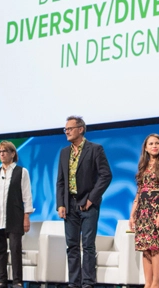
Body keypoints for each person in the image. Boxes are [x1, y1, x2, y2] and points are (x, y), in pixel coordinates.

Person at [56, 116, 112, 288]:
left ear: (80, 129)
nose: (67, 132)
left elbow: (106, 175)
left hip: (88, 204)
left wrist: (91, 199)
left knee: (87, 245)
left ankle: (87, 283)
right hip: (69, 204)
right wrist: (61, 204)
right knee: (72, 246)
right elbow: (61, 181)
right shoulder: (64, 152)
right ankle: (74, 283)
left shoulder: (95, 149)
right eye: (65, 129)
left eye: (70, 129)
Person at [0, 141, 34, 288]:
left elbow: (27, 196)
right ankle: (2, 281)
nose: (2, 154)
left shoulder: (21, 172)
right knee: (0, 251)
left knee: (15, 249)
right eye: (0, 152)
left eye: (5, 151)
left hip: (15, 216)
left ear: (12, 153)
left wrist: (26, 217)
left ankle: (17, 281)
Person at [129, 134, 159, 288]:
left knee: (155, 247)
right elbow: (139, 192)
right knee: (145, 248)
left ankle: (155, 284)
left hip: (157, 208)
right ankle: (147, 284)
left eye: (157, 143)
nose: (154, 146)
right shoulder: (144, 166)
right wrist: (133, 214)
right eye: (151, 144)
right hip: (143, 210)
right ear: (146, 148)